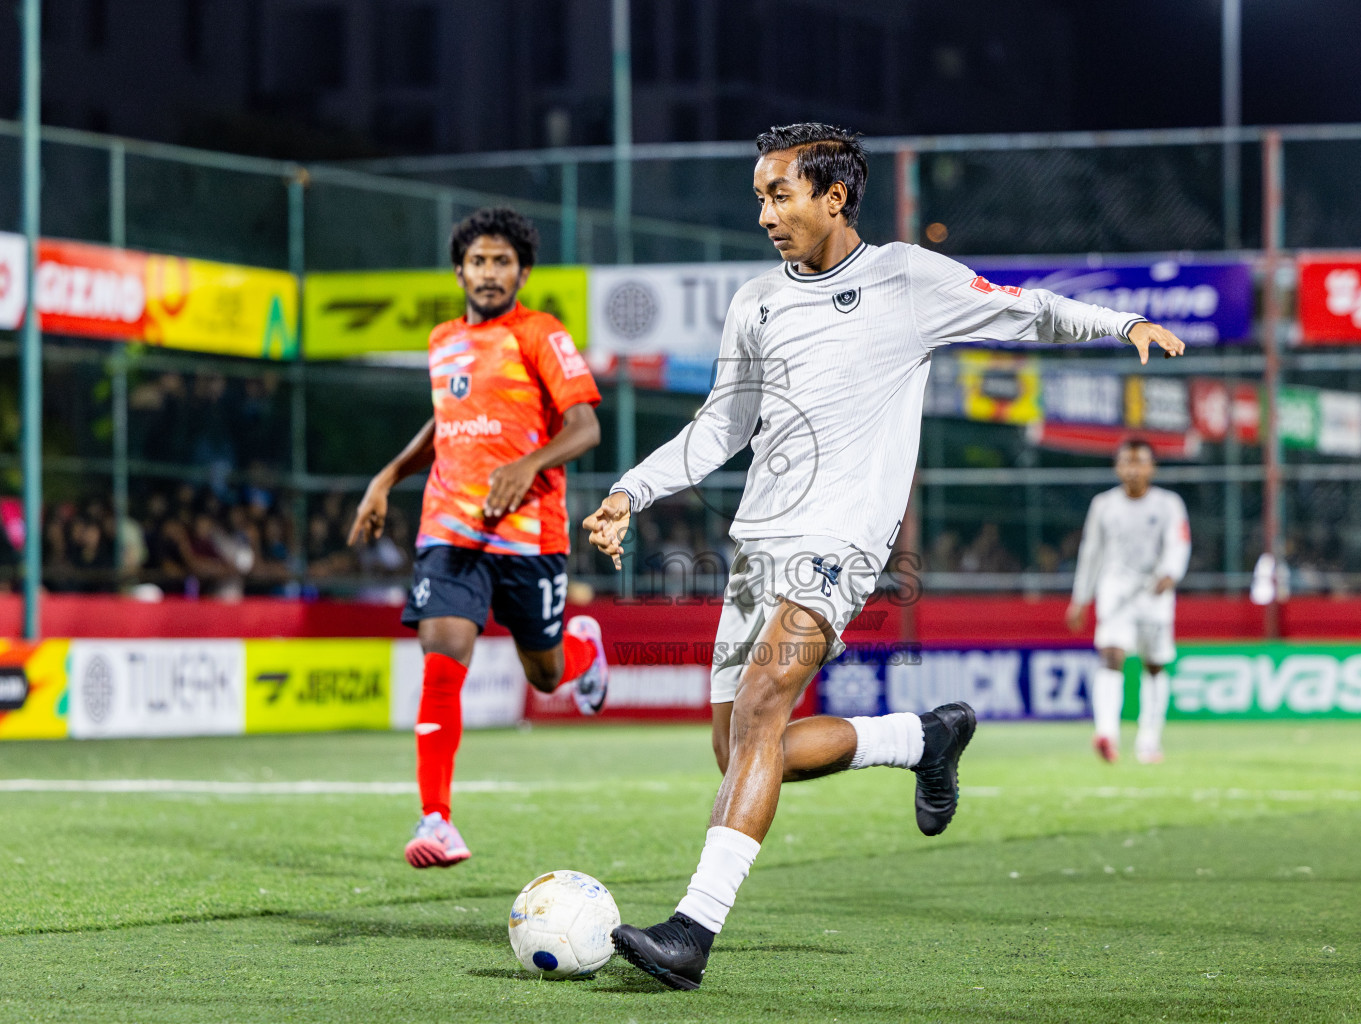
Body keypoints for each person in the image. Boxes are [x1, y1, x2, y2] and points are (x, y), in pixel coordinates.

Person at [583, 123, 1187, 990]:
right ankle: (923, 737)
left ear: (833, 196)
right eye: (759, 196)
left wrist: (1122, 320)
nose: (765, 213)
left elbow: (1029, 308)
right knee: (742, 752)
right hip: (757, 542)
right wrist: (630, 491)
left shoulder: (906, 277)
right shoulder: (755, 299)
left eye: (779, 193)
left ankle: (692, 932)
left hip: (840, 543)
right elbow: (722, 422)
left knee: (760, 711)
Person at [349, 206, 610, 870]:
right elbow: (445, 426)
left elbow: (584, 429)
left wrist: (527, 465)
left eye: (501, 261)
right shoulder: (441, 341)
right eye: (477, 261)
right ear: (459, 270)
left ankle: (584, 648)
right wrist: (385, 477)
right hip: (451, 527)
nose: (489, 272)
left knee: (546, 675)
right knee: (442, 654)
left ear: (521, 271)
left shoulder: (540, 334)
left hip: (530, 534)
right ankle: (436, 819)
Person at [1065, 439, 1191, 765]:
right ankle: (1107, 733)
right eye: (1127, 462)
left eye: (1140, 462)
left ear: (1152, 467)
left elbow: (1179, 543)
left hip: (1154, 594)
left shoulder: (1168, 504)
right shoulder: (1104, 505)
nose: (1133, 469)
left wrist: (1170, 573)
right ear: (1118, 467)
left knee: (1154, 665)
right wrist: (1080, 599)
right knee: (1111, 655)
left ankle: (1149, 739)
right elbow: (1091, 552)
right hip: (1116, 592)